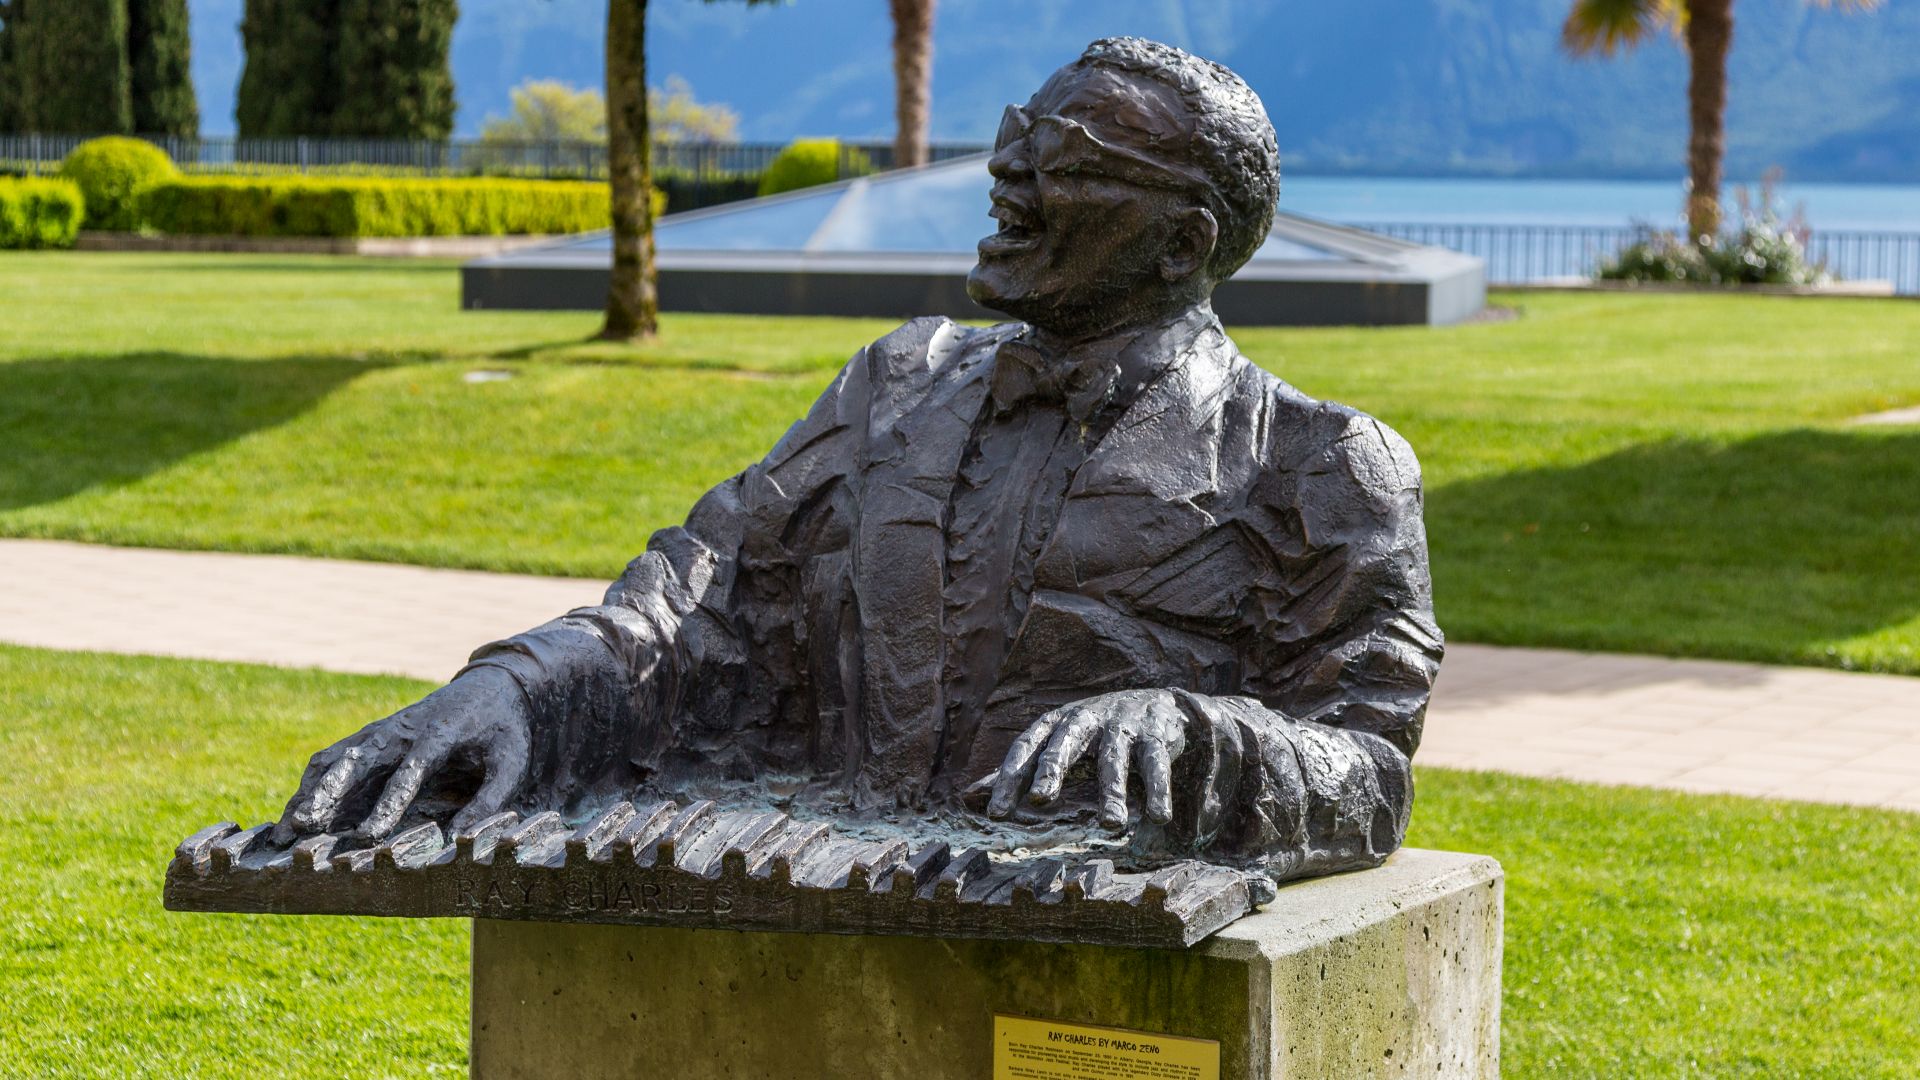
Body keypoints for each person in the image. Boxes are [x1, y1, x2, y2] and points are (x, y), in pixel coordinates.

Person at [274, 37, 1443, 885]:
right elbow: (699, 607)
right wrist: (519, 688)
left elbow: (1368, 775)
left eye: (1066, 162)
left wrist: (1209, 738)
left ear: (1183, 239)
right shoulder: (899, 385)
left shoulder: (1320, 466)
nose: (1009, 181)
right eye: (1015, 142)